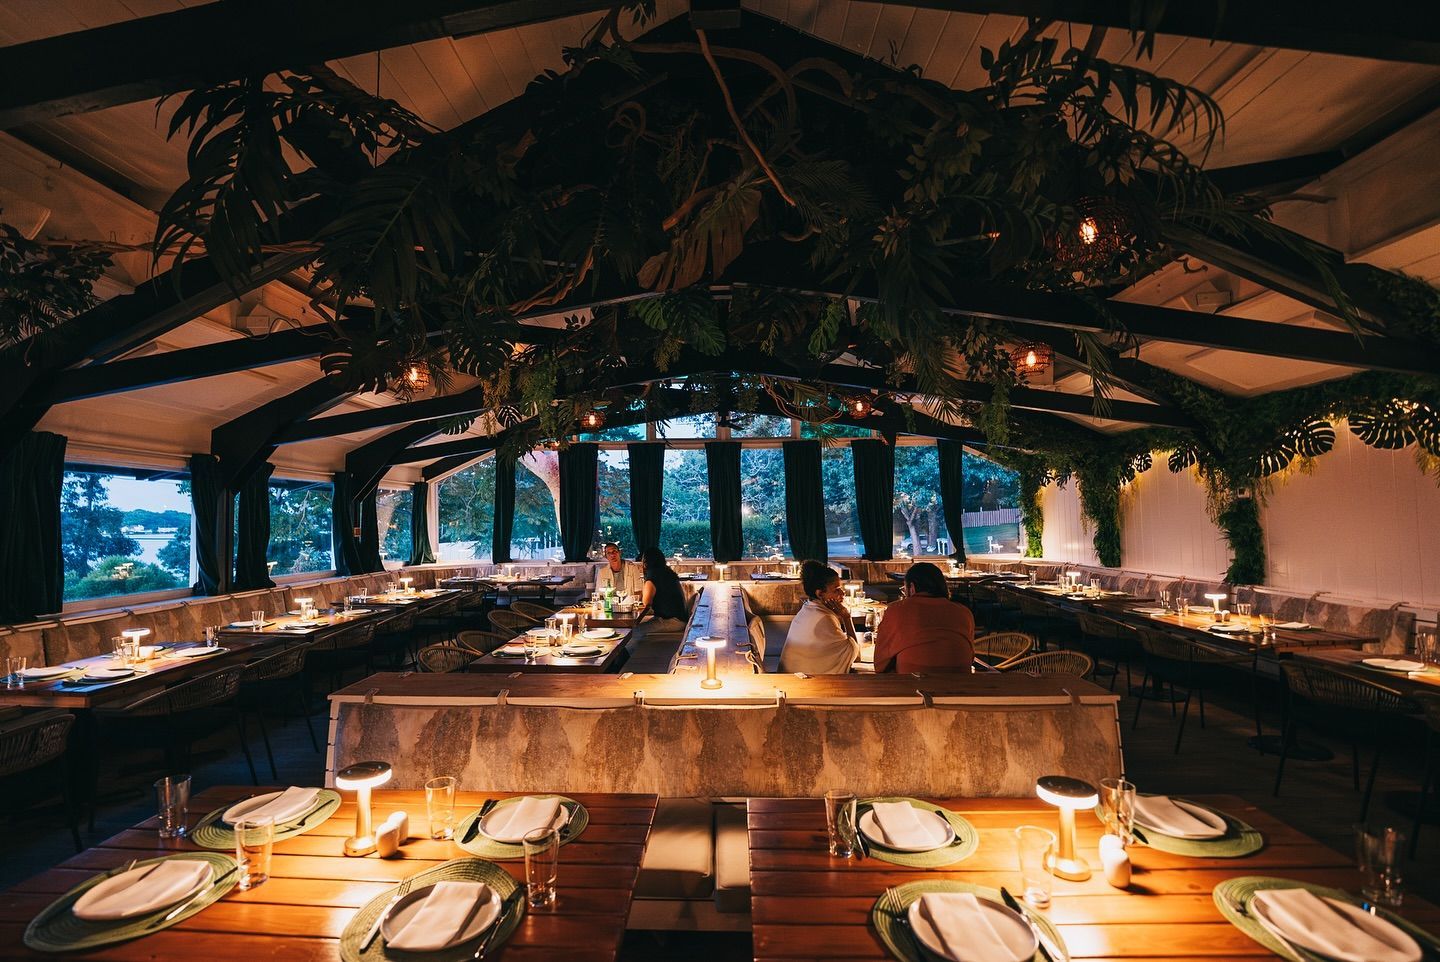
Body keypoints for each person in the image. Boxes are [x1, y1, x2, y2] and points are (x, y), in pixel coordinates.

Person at [873, 562, 975, 673]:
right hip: (962, 685)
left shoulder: (896, 610)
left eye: (904, 589)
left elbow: (880, 665)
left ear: (912, 587)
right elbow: (970, 657)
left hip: (912, 686)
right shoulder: (964, 613)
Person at [778, 560, 860, 675]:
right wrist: (846, 617)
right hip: (802, 683)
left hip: (790, 675)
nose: (842, 593)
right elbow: (855, 654)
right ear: (820, 594)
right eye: (836, 590)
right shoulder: (824, 617)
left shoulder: (807, 608)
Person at [638, 546, 689, 624]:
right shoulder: (668, 572)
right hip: (680, 618)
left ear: (645, 562)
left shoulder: (652, 577)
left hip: (671, 621)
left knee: (635, 631)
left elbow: (646, 603)